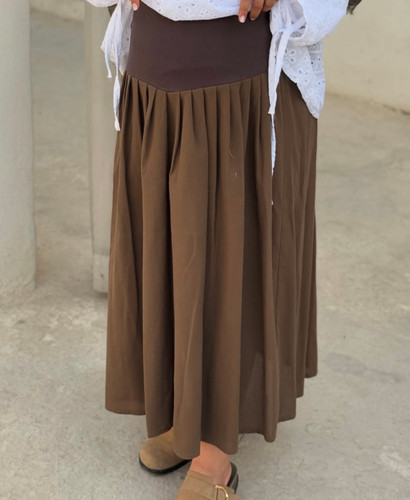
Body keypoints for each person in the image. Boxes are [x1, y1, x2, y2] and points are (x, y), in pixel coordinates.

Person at [86, 1, 362, 498]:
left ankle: (213, 449)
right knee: (169, 247)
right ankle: (185, 416)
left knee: (230, 258)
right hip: (154, 74)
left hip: (243, 85)